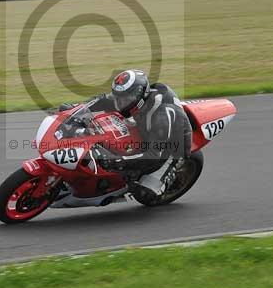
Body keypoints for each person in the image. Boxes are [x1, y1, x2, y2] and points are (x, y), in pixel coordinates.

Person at [59, 69, 192, 195]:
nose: (119, 103)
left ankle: (169, 176)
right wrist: (76, 109)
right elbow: (105, 100)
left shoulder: (160, 117)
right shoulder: (133, 97)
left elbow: (153, 155)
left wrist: (118, 161)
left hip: (172, 147)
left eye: (124, 99)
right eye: (118, 97)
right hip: (146, 129)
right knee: (104, 140)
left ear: (139, 96)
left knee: (145, 191)